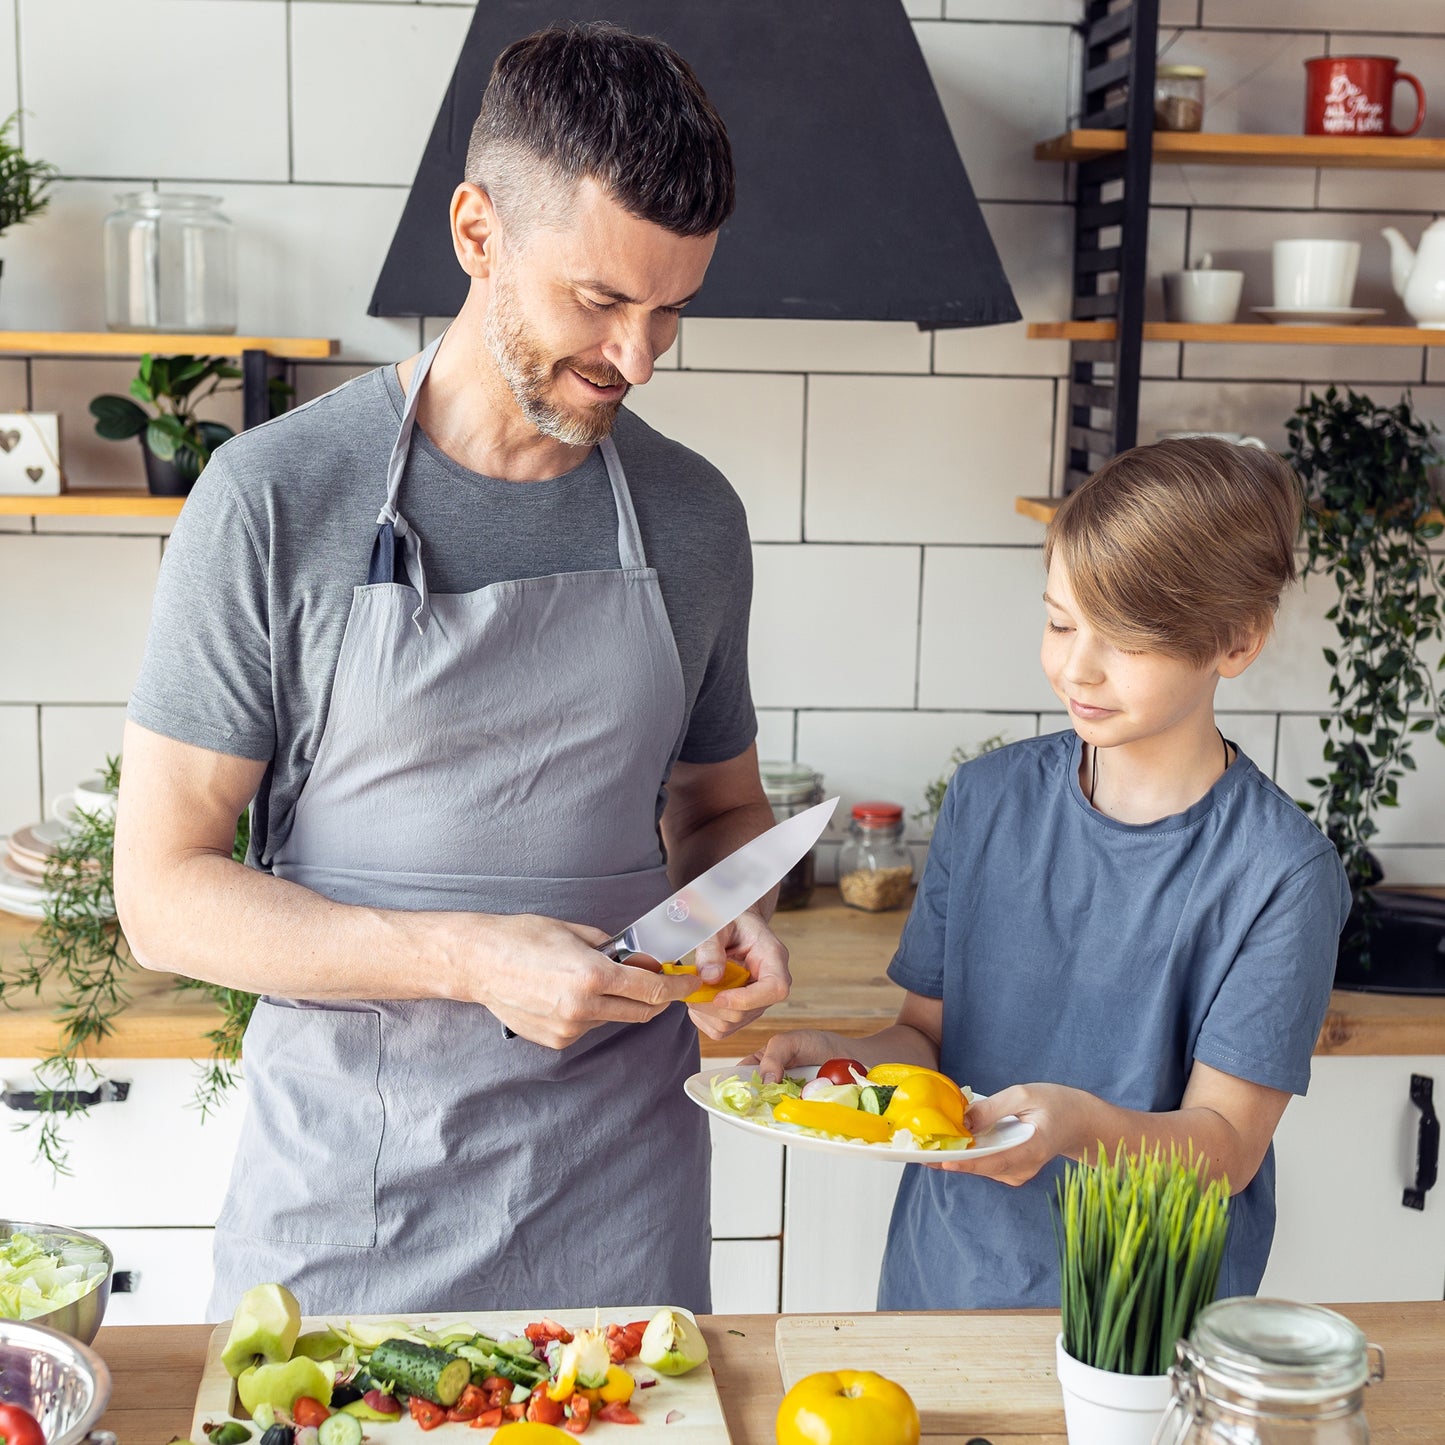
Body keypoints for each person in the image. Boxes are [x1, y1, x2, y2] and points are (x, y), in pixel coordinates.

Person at [113, 23, 789, 1319]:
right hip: (352, 1205)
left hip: (619, 1205)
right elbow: (162, 893)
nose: (637, 361)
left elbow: (716, 808)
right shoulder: (273, 500)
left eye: (672, 313)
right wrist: (467, 958)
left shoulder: (695, 518)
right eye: (600, 301)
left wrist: (731, 912)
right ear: (477, 234)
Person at [750, 437, 1352, 1309]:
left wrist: (1072, 1128)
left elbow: (1225, 1148)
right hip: (945, 1281)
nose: (1077, 666)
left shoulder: (1281, 873)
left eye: (1127, 637)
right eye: (1061, 621)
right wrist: (845, 1063)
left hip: (1138, 1324)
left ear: (1236, 639)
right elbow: (925, 1042)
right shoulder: (986, 799)